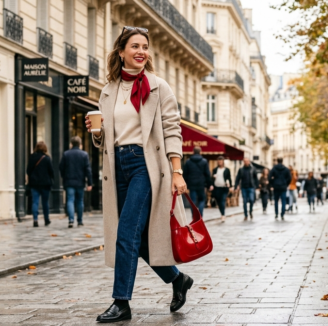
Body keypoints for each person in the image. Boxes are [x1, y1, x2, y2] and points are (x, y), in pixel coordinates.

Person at [85, 27, 193, 323]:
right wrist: (96, 132)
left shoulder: (159, 87)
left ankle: (121, 302)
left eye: (145, 46)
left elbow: (173, 130)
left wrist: (176, 170)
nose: (141, 51)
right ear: (121, 52)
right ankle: (177, 280)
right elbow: (107, 137)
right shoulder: (108, 90)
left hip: (146, 166)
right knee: (138, 239)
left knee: (126, 232)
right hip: (117, 166)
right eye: (135, 46)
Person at [60, 136, 93, 228]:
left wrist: (64, 177)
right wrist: (90, 183)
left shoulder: (66, 154)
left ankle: (71, 220)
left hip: (69, 181)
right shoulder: (84, 155)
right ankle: (80, 221)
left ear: (71, 144)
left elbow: (61, 167)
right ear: (80, 144)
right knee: (80, 201)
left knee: (70, 200)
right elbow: (88, 170)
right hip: (80, 182)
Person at [26, 141, 54, 227]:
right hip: (45, 184)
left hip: (34, 184)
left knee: (35, 202)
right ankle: (46, 220)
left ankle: (35, 220)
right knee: (45, 202)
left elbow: (28, 170)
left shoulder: (32, 157)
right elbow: (51, 171)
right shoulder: (47, 158)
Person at [183, 146, 212, 217]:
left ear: (193, 152)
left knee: (192, 201)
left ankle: (194, 216)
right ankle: (200, 216)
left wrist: (185, 184)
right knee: (202, 200)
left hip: (191, 184)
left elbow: (185, 174)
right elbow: (207, 174)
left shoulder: (188, 162)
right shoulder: (204, 161)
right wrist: (209, 185)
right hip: (201, 184)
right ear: (200, 152)